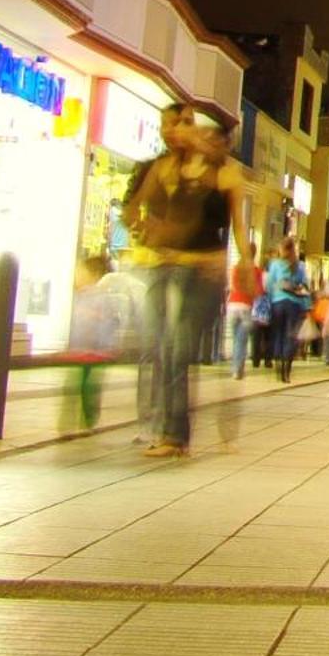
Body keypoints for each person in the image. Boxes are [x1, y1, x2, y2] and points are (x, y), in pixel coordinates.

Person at [122, 103, 250, 456]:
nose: (188, 132)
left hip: (203, 272)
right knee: (161, 349)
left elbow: (237, 225)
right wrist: (144, 233)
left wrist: (245, 267)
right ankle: (165, 430)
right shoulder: (166, 167)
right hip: (166, 267)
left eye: (192, 125)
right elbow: (134, 208)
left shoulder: (225, 174)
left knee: (177, 350)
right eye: (185, 125)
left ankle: (174, 435)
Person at [118, 102, 184, 444]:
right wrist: (144, 227)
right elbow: (127, 212)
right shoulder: (149, 169)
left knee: (173, 348)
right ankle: (151, 421)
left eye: (180, 123)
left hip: (186, 269)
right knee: (154, 347)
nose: (172, 130)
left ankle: (169, 422)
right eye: (167, 124)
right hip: (154, 266)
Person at [67, 254, 125, 429]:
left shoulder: (101, 298)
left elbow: (108, 323)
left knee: (88, 384)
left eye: (81, 273)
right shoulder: (81, 296)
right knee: (78, 383)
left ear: (94, 275)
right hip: (80, 349)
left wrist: (105, 346)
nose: (77, 276)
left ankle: (89, 416)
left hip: (95, 350)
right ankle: (79, 417)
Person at [264, 237, 310, 382]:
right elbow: (305, 286)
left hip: (278, 303)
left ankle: (279, 367)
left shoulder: (275, 264)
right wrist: (306, 306)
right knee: (291, 336)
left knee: (278, 335)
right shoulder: (300, 266)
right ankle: (287, 369)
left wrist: (269, 301)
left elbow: (269, 284)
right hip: (295, 305)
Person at [227, 240, 261, 380]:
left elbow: (232, 287)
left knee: (236, 339)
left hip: (232, 306)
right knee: (242, 340)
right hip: (246, 308)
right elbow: (258, 291)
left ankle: (235, 368)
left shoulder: (235, 268)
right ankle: (237, 370)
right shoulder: (256, 271)